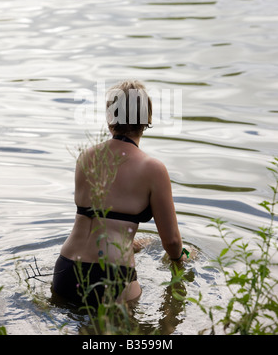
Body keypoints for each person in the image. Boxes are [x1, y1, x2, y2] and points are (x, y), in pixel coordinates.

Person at [52, 80, 187, 309]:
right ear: (146, 119)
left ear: (109, 118)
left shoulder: (86, 157)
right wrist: (181, 259)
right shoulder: (153, 169)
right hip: (113, 276)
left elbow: (100, 219)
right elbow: (172, 241)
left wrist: (130, 243)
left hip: (67, 270)